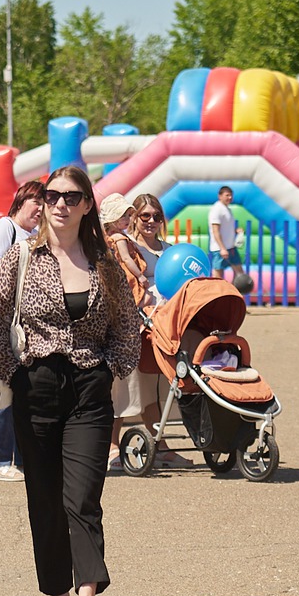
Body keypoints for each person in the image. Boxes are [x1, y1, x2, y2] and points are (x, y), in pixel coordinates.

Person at [0, 166, 142, 596]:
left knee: (84, 494)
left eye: (71, 197)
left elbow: (126, 324)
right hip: (37, 384)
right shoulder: (20, 258)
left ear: (88, 205)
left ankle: (90, 595)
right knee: (45, 497)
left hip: (90, 386)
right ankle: (56, 595)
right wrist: (13, 372)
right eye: (52, 196)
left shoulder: (104, 262)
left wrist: (113, 366)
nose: (60, 205)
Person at [0, 180, 45, 482]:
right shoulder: (4, 228)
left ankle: (18, 458)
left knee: (21, 391)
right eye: (37, 202)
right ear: (21, 201)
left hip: (25, 325)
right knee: (1, 389)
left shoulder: (34, 236)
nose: (41, 210)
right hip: (2, 322)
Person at [111, 193, 184, 467]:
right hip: (135, 324)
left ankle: (160, 446)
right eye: (145, 216)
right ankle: (112, 446)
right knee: (126, 386)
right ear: (134, 218)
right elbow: (122, 282)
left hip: (164, 325)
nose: (151, 221)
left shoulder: (169, 249)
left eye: (156, 216)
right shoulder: (125, 247)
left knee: (156, 386)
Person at [99, 191, 135, 470]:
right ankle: (109, 443)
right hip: (112, 312)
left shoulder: (104, 240)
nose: (129, 220)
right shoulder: (114, 242)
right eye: (125, 215)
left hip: (117, 311)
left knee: (116, 388)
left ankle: (110, 442)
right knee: (114, 387)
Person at [208, 185, 243, 278]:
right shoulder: (217, 209)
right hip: (219, 249)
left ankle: (233, 292)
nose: (230, 197)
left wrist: (236, 231)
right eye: (227, 195)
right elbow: (215, 230)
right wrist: (222, 248)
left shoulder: (227, 209)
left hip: (231, 247)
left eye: (231, 195)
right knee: (218, 276)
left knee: (239, 272)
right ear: (220, 196)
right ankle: (218, 292)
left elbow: (225, 227)